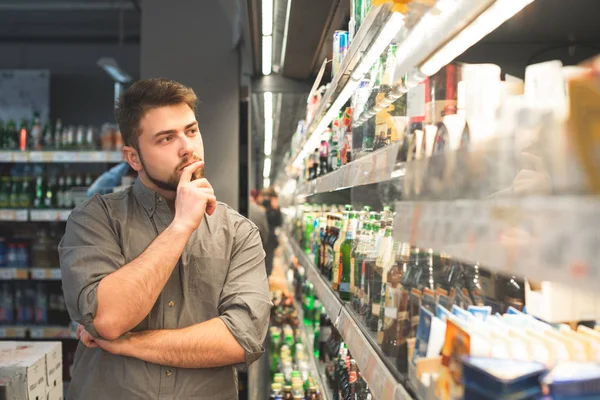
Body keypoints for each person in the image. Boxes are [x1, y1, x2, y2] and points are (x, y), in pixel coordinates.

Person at [59, 78, 271, 399]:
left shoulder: (238, 231)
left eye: (191, 130)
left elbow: (243, 339)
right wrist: (181, 226)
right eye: (166, 138)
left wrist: (127, 343)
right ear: (133, 158)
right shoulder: (95, 219)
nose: (187, 146)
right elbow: (110, 319)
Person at [261, 187, 282, 277]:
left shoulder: (274, 209)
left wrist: (276, 208)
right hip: (262, 238)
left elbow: (278, 223)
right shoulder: (260, 207)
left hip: (269, 240)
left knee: (268, 265)